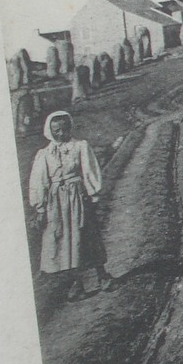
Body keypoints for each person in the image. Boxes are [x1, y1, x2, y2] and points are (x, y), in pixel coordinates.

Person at [27, 110, 113, 300]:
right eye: (56, 130)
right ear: (49, 131)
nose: (61, 133)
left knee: (88, 236)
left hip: (78, 197)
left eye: (65, 129)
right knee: (65, 241)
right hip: (56, 203)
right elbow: (38, 181)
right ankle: (77, 284)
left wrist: (93, 195)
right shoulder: (44, 154)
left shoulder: (79, 146)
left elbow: (90, 170)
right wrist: (40, 207)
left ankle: (102, 275)